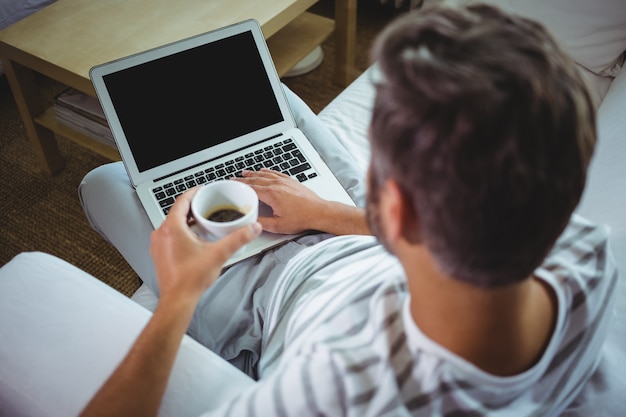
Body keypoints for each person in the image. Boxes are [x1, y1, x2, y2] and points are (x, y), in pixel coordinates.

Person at [78, 3, 617, 416]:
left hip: (264, 299)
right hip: (348, 237)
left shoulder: (332, 384)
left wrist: (180, 294)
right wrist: (321, 212)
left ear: (399, 210)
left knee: (102, 182)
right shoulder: (584, 253)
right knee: (279, 105)